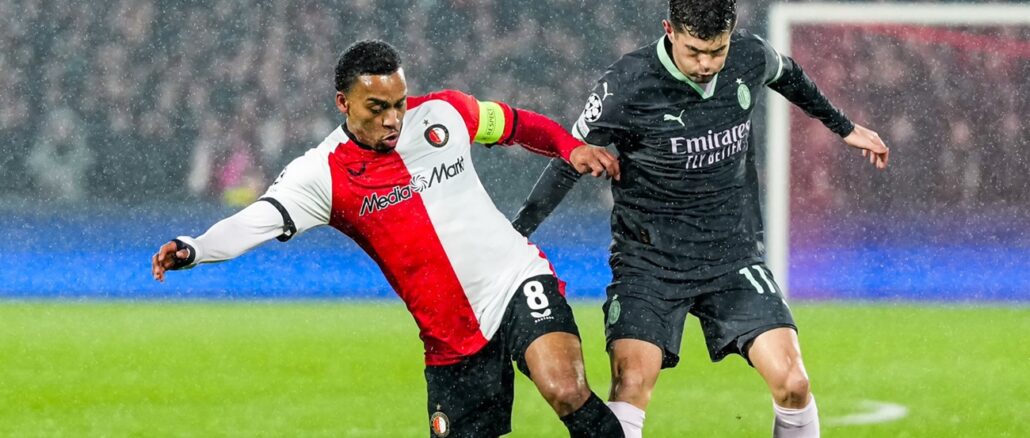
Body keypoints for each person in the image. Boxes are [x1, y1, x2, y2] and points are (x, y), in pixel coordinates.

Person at [151, 40, 623, 438]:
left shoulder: (444, 112)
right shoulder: (321, 174)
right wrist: (196, 249)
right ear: (343, 103)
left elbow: (516, 124)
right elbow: (257, 220)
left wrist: (570, 147)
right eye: (377, 108)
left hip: (515, 279)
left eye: (399, 103)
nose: (393, 119)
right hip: (449, 337)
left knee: (564, 389)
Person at [511, 1, 890, 437]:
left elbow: (789, 74)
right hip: (649, 263)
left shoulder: (749, 55)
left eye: (717, 51)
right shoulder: (626, 85)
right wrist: (517, 233)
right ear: (669, 30)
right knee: (631, 385)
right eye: (694, 51)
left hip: (732, 256)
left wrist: (844, 128)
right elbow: (568, 161)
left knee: (794, 384)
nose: (707, 64)